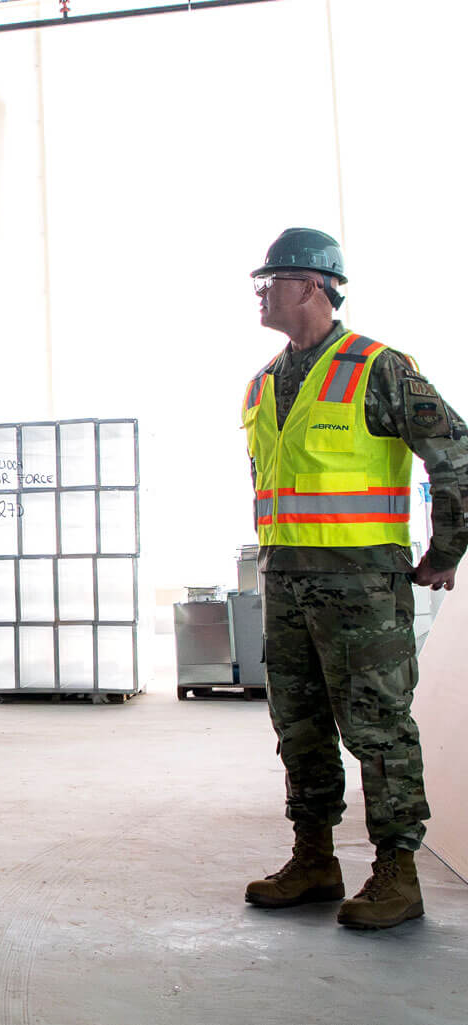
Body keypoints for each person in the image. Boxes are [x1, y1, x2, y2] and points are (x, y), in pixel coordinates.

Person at [241, 228, 468, 929]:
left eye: (271, 279)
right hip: (284, 581)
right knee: (299, 725)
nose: (260, 292)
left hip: (363, 587)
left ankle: (398, 872)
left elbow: (455, 454)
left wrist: (446, 550)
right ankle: (314, 857)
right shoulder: (261, 385)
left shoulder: (378, 368)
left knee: (378, 728)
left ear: (313, 285)